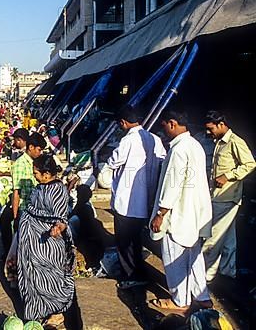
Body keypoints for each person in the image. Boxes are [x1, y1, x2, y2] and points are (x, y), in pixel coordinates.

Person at [149, 110, 213, 314]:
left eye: (165, 125)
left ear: (173, 124)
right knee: (194, 258)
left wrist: (161, 213)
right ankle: (202, 298)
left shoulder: (178, 150)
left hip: (179, 213)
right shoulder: (195, 145)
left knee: (173, 257)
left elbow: (172, 185)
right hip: (194, 213)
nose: (164, 130)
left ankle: (180, 300)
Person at [16, 154, 83, 329]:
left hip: (49, 243)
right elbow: (32, 207)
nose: (34, 176)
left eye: (36, 173)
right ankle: (38, 309)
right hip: (31, 242)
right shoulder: (39, 187)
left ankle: (57, 311)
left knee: (51, 276)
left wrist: (58, 228)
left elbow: (61, 218)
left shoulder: (58, 190)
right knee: (32, 276)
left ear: (46, 174)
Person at [107, 105, 166, 289]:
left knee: (125, 243)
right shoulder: (155, 139)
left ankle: (131, 276)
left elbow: (113, 161)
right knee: (137, 240)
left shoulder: (128, 141)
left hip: (127, 201)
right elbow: (162, 162)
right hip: (146, 200)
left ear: (123, 122)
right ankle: (139, 272)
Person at [202, 111, 255, 282]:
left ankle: (206, 275)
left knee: (213, 237)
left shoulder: (235, 142)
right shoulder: (219, 142)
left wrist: (228, 176)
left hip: (226, 198)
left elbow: (250, 164)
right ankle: (227, 272)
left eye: (211, 129)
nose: (209, 133)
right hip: (219, 196)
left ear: (221, 124)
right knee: (228, 239)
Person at [69, 184, 104, 269]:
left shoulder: (85, 208)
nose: (77, 195)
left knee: (73, 220)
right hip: (86, 234)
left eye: (79, 194)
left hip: (85, 236)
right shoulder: (83, 205)